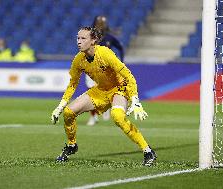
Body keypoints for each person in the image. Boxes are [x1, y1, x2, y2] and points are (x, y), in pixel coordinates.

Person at [51, 26, 156, 166]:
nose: (79, 41)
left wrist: (135, 100)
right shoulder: (78, 60)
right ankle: (71, 145)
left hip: (119, 88)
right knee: (68, 112)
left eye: (83, 38)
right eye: (78, 38)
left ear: (93, 40)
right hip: (100, 90)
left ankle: (148, 151)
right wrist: (60, 106)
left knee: (118, 117)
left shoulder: (105, 53)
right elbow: (72, 84)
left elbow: (128, 75)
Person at [86, 15, 125, 126]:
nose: (100, 25)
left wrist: (122, 61)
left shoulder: (109, 38)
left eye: (102, 23)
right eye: (99, 23)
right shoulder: (89, 37)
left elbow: (121, 48)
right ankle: (93, 117)